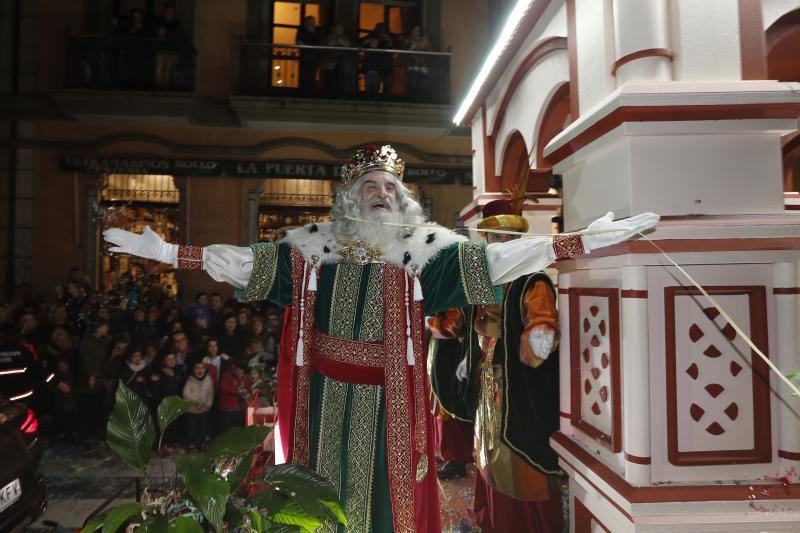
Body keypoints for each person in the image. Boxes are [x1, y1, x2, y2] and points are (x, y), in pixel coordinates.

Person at [103, 144, 658, 532]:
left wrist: (584, 241)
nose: (378, 193)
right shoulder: (309, 250)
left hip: (393, 405)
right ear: (349, 199)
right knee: (318, 495)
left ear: (402, 199)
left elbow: (503, 258)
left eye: (388, 187)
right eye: (368, 186)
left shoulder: (426, 254)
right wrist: (170, 253)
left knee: (391, 504)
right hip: (322, 405)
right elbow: (243, 263)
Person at [470, 196, 564, 532]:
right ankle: (493, 521)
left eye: (505, 239)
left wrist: (540, 336)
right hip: (491, 386)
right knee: (490, 457)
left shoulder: (533, 281)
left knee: (519, 463)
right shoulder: (490, 280)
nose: (499, 245)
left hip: (519, 392)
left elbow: (542, 322)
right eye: (493, 238)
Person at [183, 359, 213, 450]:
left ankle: (202, 444)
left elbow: (210, 394)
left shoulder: (208, 380)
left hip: (203, 409)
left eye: (202, 368)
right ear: (193, 370)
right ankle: (192, 444)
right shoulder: (190, 380)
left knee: (202, 428)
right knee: (192, 428)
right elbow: (186, 394)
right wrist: (197, 402)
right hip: (192, 409)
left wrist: (206, 405)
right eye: (197, 368)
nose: (200, 370)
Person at [218, 358, 250, 432]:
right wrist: (237, 391)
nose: (241, 371)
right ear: (234, 367)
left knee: (238, 430)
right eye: (239, 369)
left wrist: (246, 393)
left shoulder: (245, 376)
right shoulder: (226, 375)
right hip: (228, 408)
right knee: (227, 430)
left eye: (243, 369)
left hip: (240, 408)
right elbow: (223, 387)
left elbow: (248, 388)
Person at [295, 15, 322, 95]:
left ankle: (310, 92)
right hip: (304, 56)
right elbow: (299, 41)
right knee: (303, 75)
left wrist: (307, 44)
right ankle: (302, 92)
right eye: (310, 22)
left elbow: (319, 43)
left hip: (314, 56)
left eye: (313, 22)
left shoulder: (317, 31)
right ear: (306, 22)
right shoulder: (302, 30)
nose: (311, 24)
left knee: (312, 75)